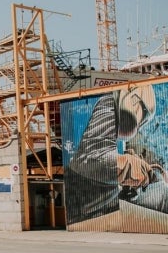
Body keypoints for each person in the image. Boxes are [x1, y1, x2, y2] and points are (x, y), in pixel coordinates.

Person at [65, 85, 166, 224]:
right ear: (134, 102)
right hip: (89, 209)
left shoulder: (111, 109)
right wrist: (127, 165)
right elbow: (91, 160)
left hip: (97, 208)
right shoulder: (109, 103)